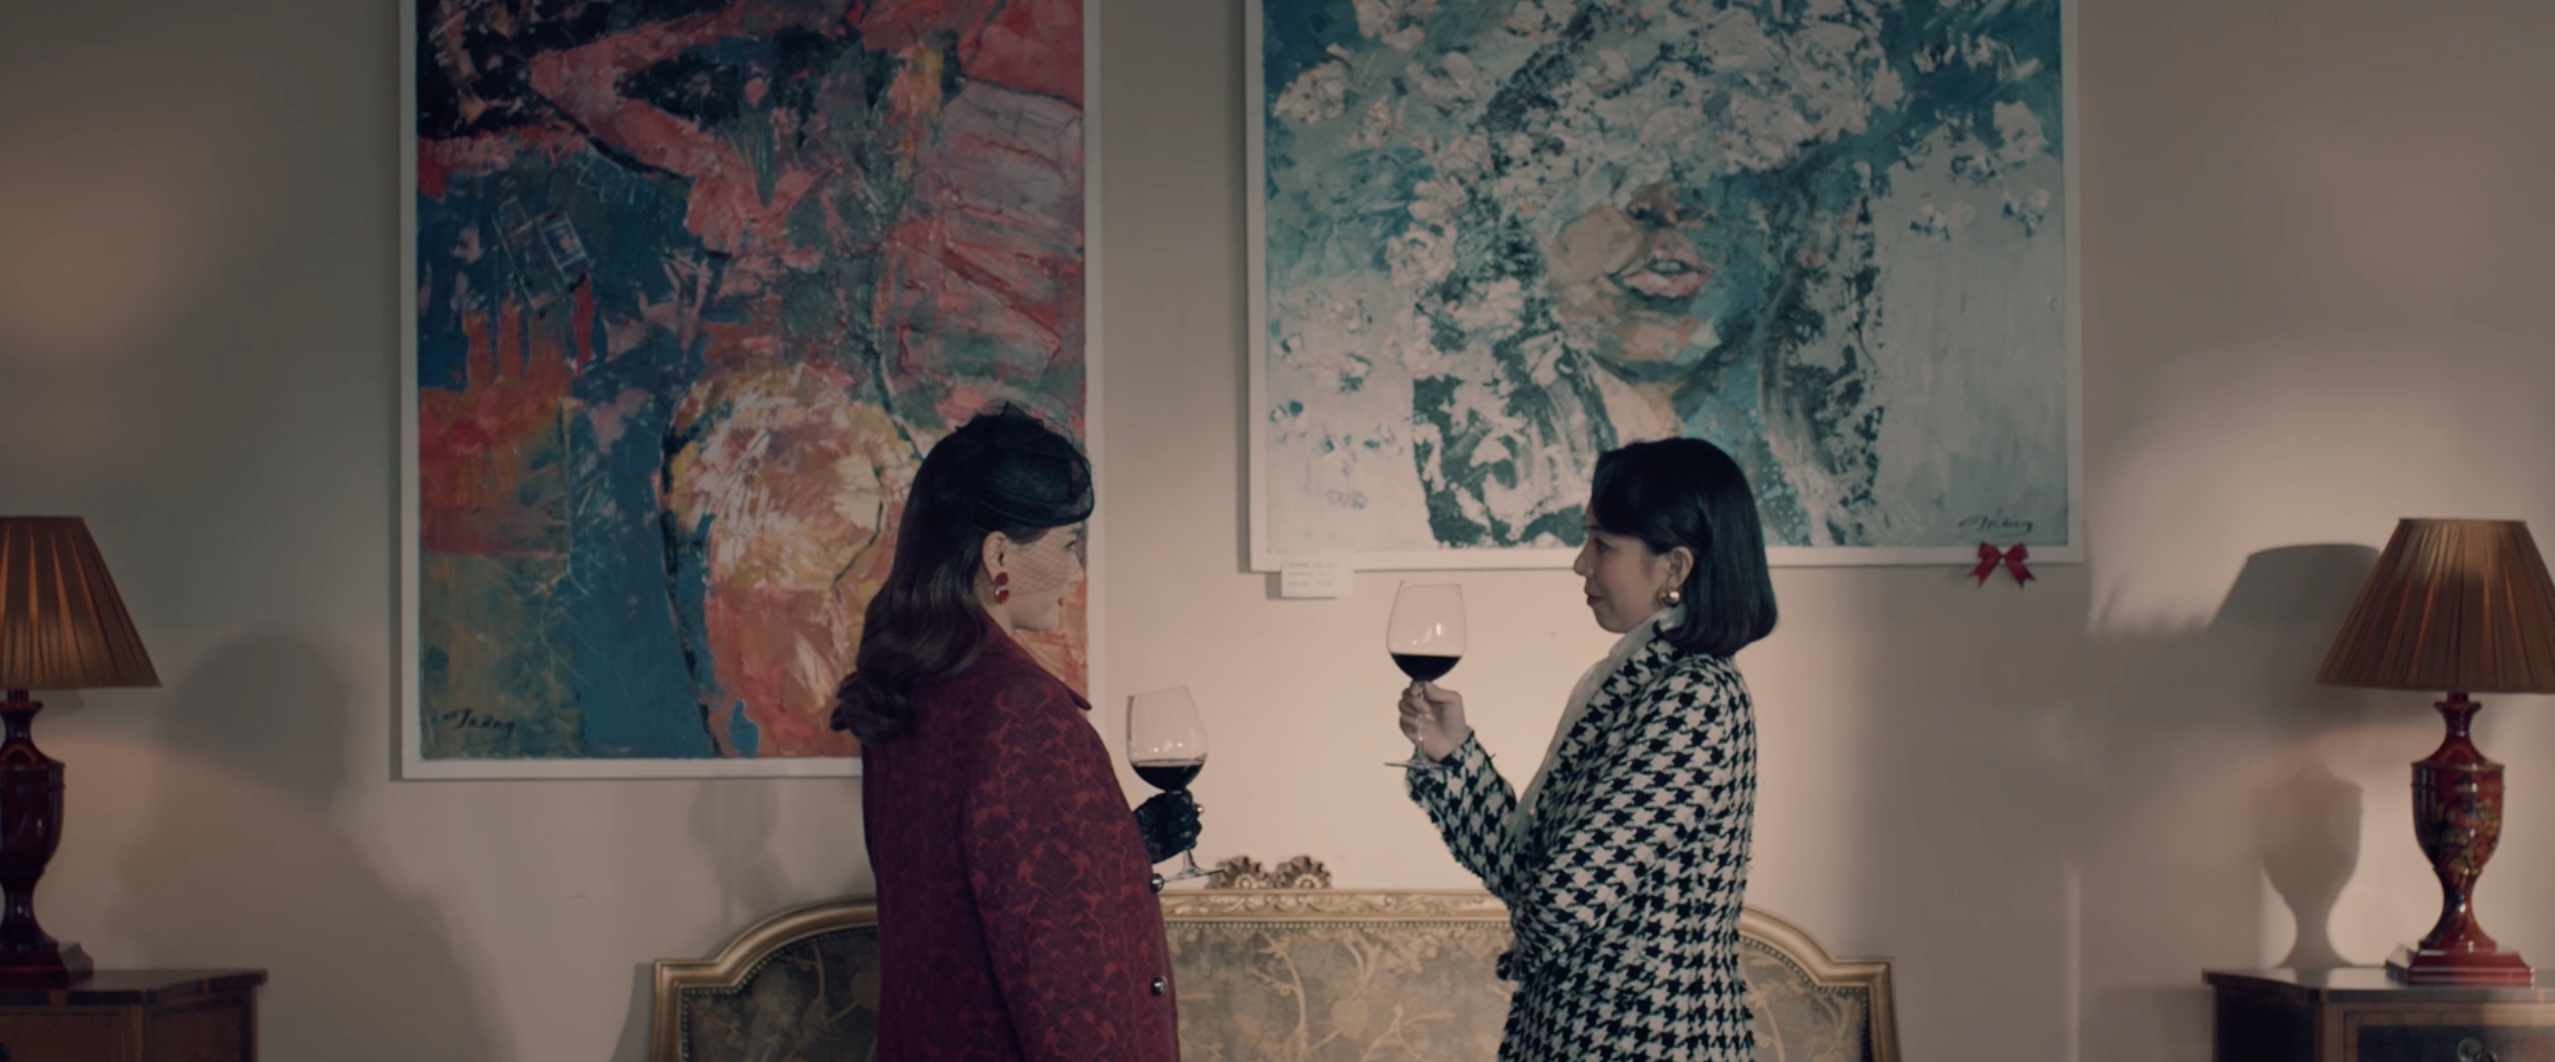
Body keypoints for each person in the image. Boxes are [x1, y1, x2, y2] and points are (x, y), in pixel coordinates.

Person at [1396, 436, 1778, 1061]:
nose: (1580, 564)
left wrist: (1539, 904)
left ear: (1675, 567)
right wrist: (1452, 753)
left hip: (1647, 1042)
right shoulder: (1643, 681)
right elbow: (1538, 871)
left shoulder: (1695, 696)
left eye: (1603, 544)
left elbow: (1556, 899)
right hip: (1583, 1035)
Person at [834, 408, 1195, 1062]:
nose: (1076, 573)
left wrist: (1120, 847)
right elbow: (1067, 988)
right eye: (1067, 546)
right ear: (999, 554)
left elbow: (977, 889)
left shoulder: (908, 686)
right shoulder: (1018, 707)